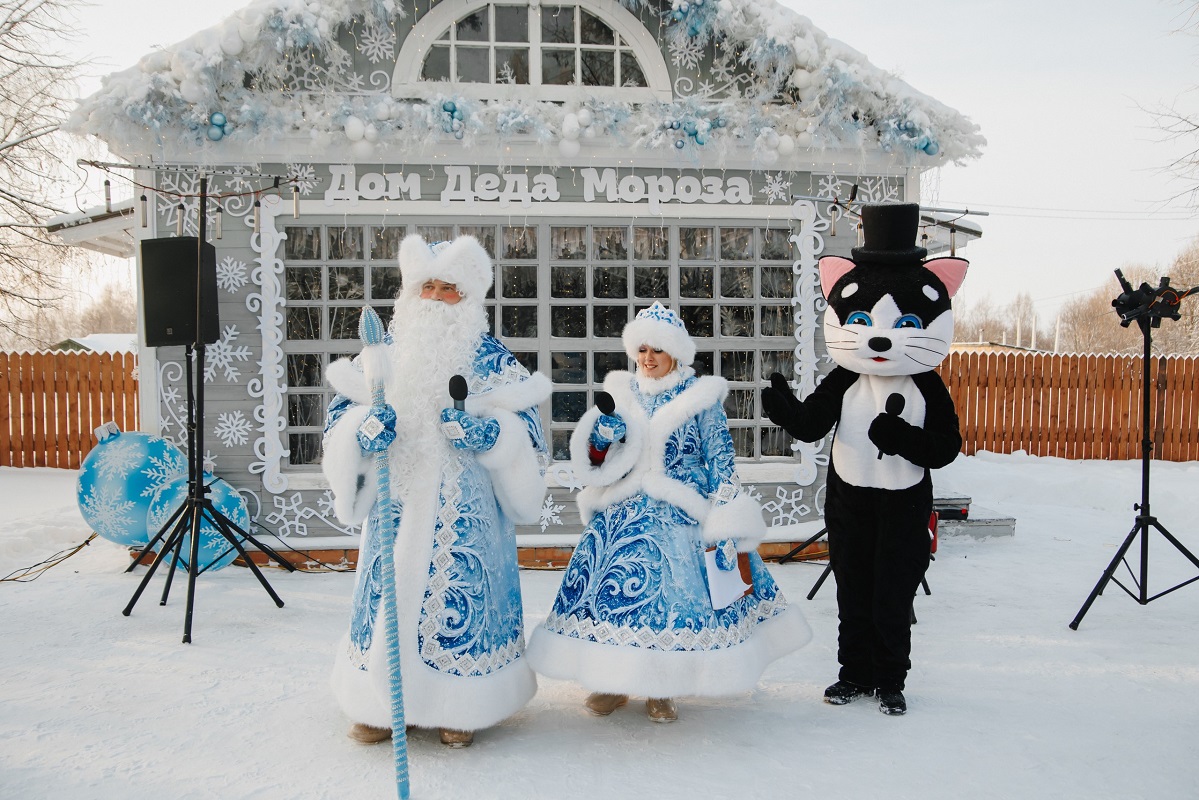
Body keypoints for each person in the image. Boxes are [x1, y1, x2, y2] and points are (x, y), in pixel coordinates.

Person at [525, 302, 811, 722]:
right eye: (641, 349)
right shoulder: (620, 393)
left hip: (683, 505)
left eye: (656, 350)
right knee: (611, 596)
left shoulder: (701, 398)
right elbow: (598, 460)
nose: (647, 358)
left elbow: (719, 456)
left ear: (675, 353)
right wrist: (602, 439)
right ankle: (612, 681)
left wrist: (727, 510)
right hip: (623, 507)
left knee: (673, 599)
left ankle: (663, 686)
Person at [321, 234, 552, 747]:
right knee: (388, 600)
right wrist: (362, 433)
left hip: (465, 514)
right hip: (395, 506)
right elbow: (339, 423)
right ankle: (379, 706)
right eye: (427, 286)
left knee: (457, 598)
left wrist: (492, 436)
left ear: (469, 297)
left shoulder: (493, 360)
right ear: (410, 293)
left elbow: (531, 439)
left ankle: (459, 706)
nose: (435, 297)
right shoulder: (380, 357)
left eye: (449, 288)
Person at [761, 203, 967, 716]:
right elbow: (813, 423)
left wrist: (901, 438)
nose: (878, 336)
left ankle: (890, 678)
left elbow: (945, 448)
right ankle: (853, 672)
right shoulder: (845, 378)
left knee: (894, 594)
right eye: (862, 320)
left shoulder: (925, 382)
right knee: (852, 588)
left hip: (903, 500)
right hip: (849, 497)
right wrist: (784, 407)